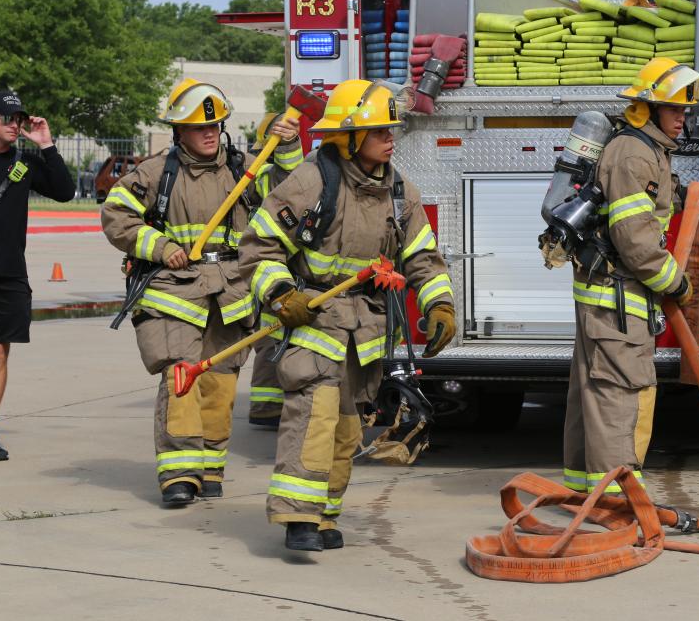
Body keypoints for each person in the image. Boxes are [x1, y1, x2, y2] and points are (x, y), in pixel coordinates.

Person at [239, 79, 455, 552]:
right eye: (379, 130)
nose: (390, 137)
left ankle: (324, 515)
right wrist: (280, 294)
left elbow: (422, 255)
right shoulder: (313, 182)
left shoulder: (399, 190)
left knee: (347, 426)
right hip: (313, 318)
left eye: (391, 129)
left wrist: (440, 303)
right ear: (351, 137)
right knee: (312, 416)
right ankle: (297, 518)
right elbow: (258, 249)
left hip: (366, 332)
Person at [101, 79, 298, 505]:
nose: (209, 133)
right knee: (181, 375)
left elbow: (295, 194)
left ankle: (209, 468)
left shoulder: (247, 168)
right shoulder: (155, 173)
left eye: (215, 126)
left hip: (230, 290)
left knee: (220, 382)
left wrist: (286, 148)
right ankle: (179, 476)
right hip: (174, 291)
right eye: (197, 128)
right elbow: (116, 215)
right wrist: (162, 246)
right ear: (178, 132)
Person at [563, 57, 699, 495]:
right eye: (675, 109)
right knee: (623, 396)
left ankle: (587, 493)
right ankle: (616, 499)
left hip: (610, 297)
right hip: (619, 298)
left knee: (595, 395)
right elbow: (636, 241)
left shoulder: (647, 151)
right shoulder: (633, 155)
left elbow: (651, 205)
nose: (683, 118)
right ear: (647, 109)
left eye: (685, 110)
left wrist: (696, 197)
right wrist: (677, 283)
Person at [0, 90, 75, 461]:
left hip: (9, 275)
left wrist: (47, 145)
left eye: (19, 119)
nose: (15, 125)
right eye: (8, 118)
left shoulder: (26, 162)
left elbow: (65, 192)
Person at [246, 112, 304, 427]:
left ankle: (266, 403)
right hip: (271, 263)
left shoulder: (261, 172)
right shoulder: (263, 174)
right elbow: (292, 182)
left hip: (265, 263)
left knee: (268, 334)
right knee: (271, 333)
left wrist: (289, 144)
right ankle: (267, 406)